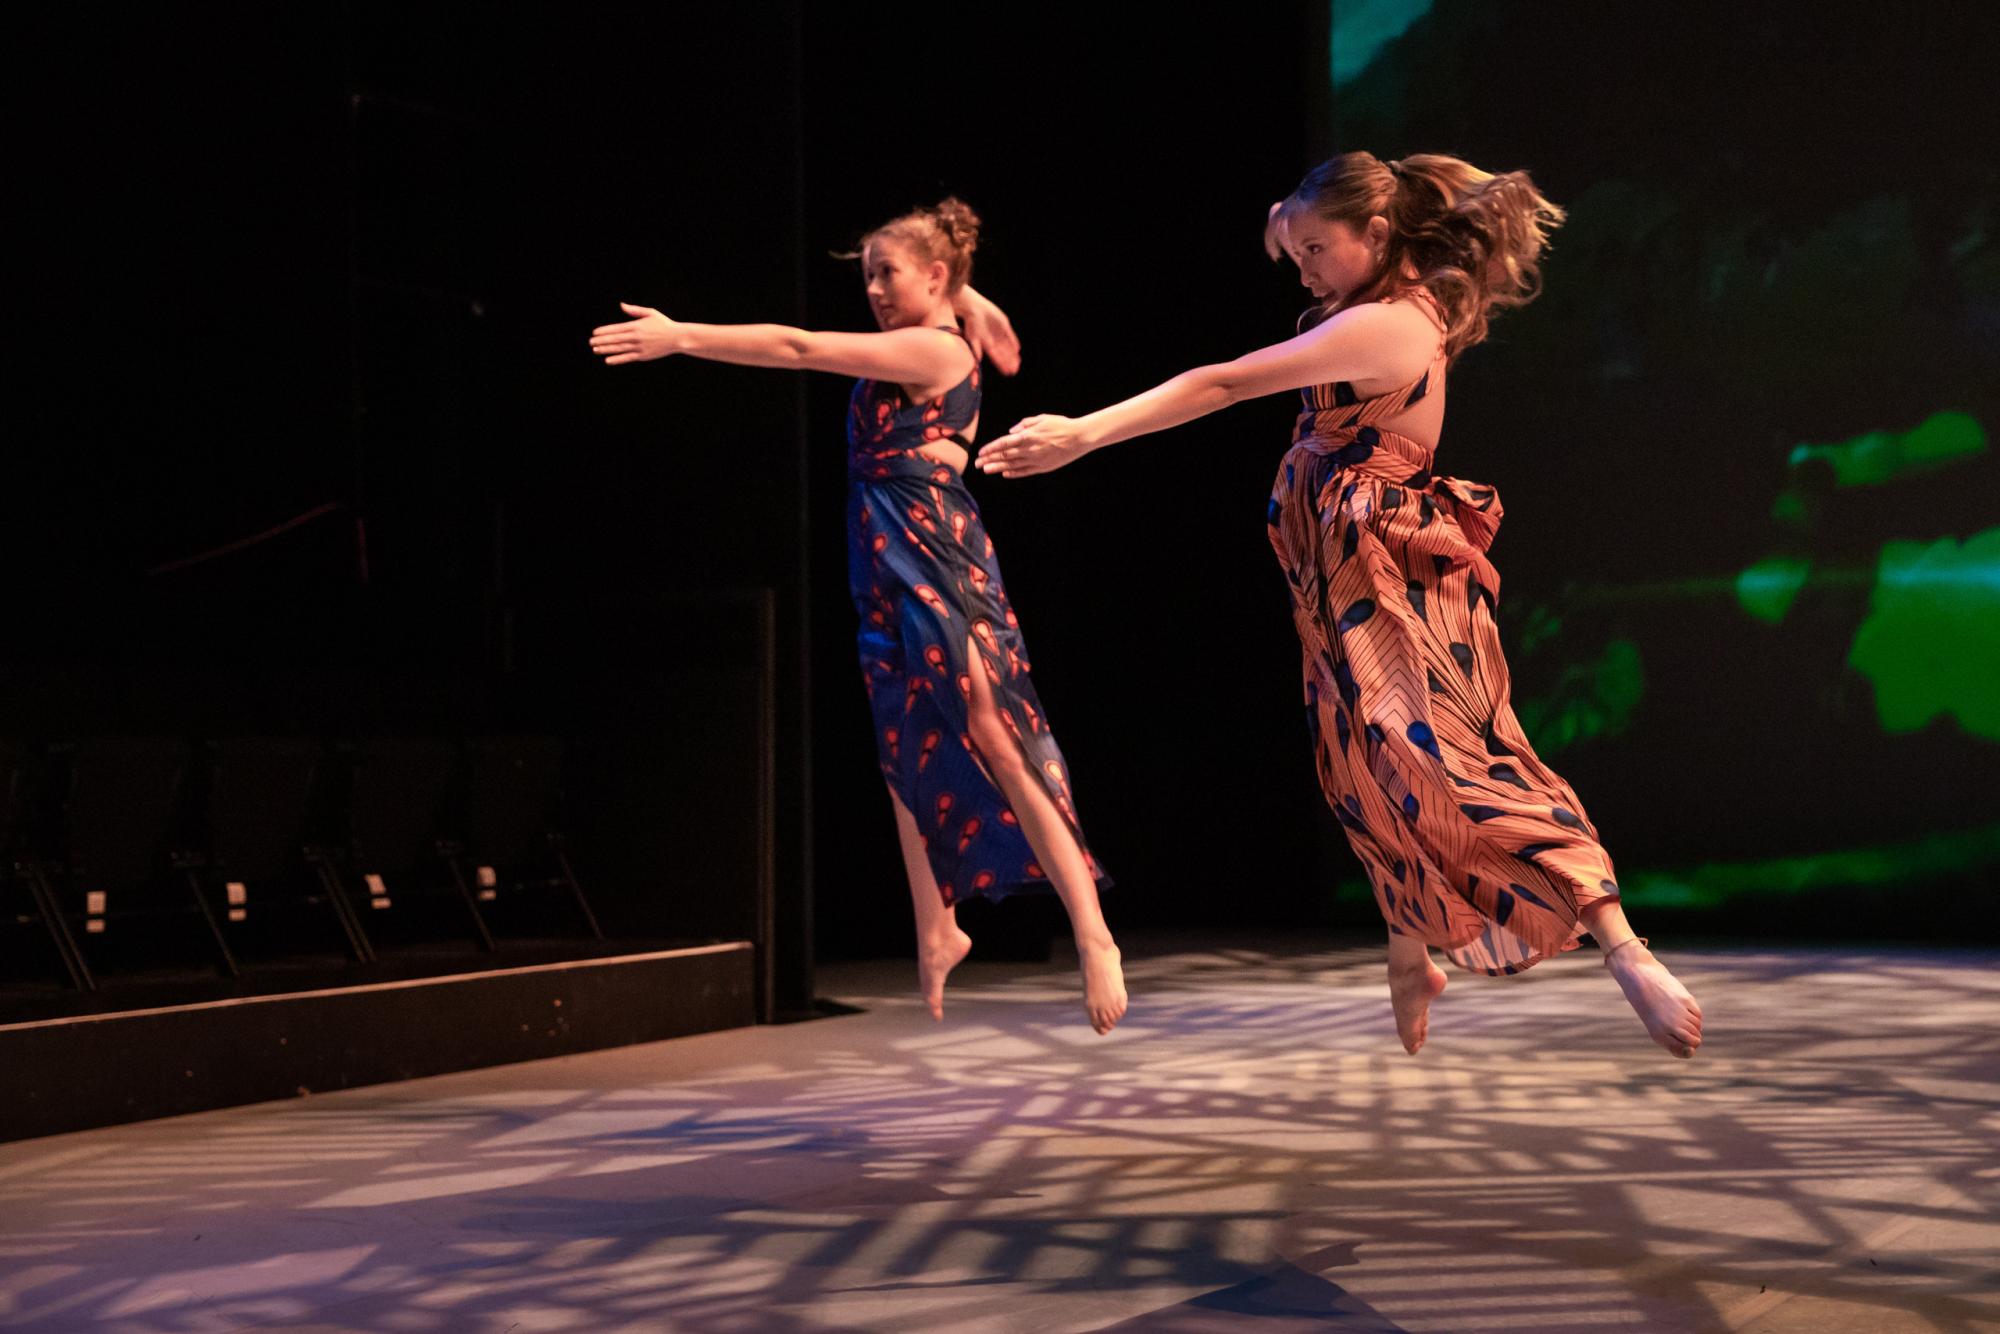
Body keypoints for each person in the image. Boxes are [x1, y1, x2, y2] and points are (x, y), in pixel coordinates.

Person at [977, 155, 1701, 1058]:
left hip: (1389, 574)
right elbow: (1291, 217)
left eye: (1321, 249)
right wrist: (1292, 219)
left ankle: (1623, 948)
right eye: (1298, 252)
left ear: (1379, 237)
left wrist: (1083, 433)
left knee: (1449, 760)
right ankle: (1410, 950)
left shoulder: (1390, 327)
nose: (1305, 265)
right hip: (1335, 576)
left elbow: (1226, 381)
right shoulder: (1358, 291)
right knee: (1359, 766)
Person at [590, 198, 1127, 1035]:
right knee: (900, 741)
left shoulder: (930, 348)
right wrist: (971, 297)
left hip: (936, 554)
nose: (874, 288)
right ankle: (937, 926)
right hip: (880, 553)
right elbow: (1012, 351)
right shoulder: (956, 324)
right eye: (868, 274)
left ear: (936, 275)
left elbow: (799, 348)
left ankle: (1093, 934)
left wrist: (682, 335)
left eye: (889, 272)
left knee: (991, 732)